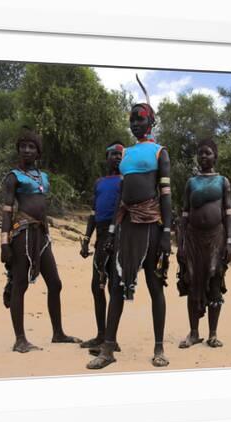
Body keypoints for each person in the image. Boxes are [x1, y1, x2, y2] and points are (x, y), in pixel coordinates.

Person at [87, 78, 172, 369]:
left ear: (151, 122)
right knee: (117, 284)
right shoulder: (127, 155)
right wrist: (111, 231)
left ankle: (159, 347)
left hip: (151, 226)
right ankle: (108, 348)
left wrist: (167, 233)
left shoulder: (160, 152)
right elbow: (122, 196)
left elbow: (165, 196)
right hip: (126, 226)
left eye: (141, 119)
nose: (135, 123)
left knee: (154, 285)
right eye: (132, 119)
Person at [0, 127, 81, 353]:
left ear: (38, 152)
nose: (26, 150)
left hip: (41, 235)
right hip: (22, 233)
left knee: (55, 283)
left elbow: (42, 208)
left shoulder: (43, 177)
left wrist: (46, 232)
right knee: (20, 284)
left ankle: (58, 333)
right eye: (23, 146)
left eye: (31, 147)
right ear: (18, 150)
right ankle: (20, 339)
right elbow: (7, 211)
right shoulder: (12, 177)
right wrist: (4, 243)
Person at [176, 139, 231, 350]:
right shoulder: (191, 183)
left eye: (207, 153)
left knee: (215, 283)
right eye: (200, 153)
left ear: (215, 156)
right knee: (192, 283)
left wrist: (228, 242)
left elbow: (228, 213)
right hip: (192, 240)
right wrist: (180, 243)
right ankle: (193, 333)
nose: (203, 156)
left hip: (216, 240)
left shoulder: (223, 182)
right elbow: (184, 214)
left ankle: (213, 334)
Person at [79, 142, 124, 352]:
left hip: (119, 237)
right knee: (96, 287)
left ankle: (111, 339)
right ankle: (100, 334)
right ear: (106, 157)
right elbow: (93, 214)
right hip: (100, 235)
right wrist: (87, 239)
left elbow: (123, 210)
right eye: (113, 154)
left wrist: (114, 235)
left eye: (120, 155)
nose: (117, 157)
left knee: (115, 287)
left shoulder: (126, 181)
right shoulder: (99, 183)